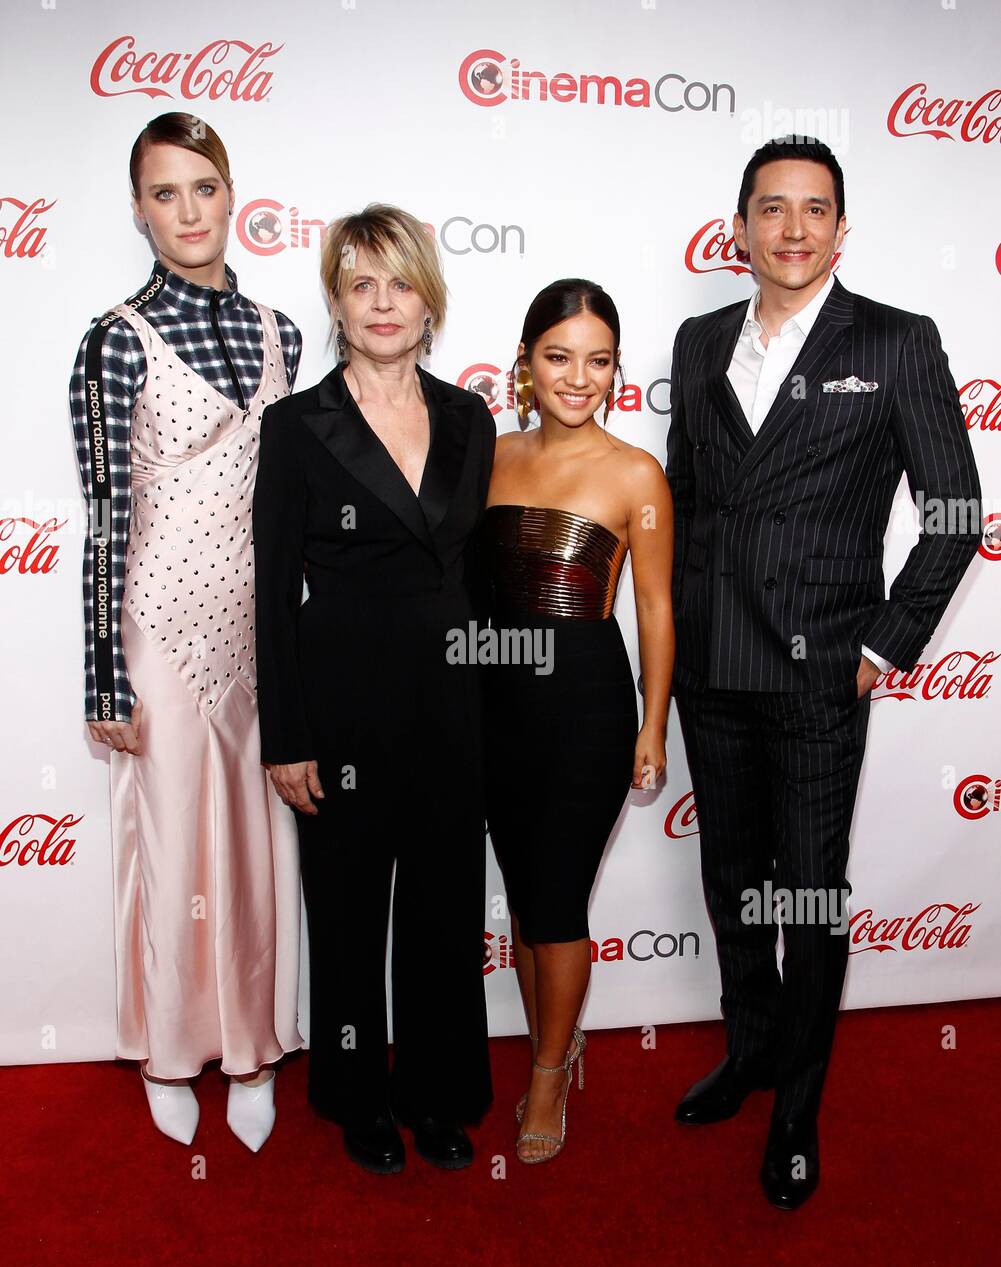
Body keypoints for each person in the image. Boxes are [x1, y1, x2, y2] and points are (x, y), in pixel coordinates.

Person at [666, 136, 982, 1209]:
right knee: (729, 884)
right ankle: (750, 1049)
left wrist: (880, 646)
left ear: (840, 229)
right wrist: (671, 650)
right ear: (739, 227)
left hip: (815, 676)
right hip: (710, 669)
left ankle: (796, 1104)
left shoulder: (893, 341)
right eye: (770, 208)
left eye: (813, 210)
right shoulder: (699, 338)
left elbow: (952, 514)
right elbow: (687, 507)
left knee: (806, 895)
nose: (791, 228)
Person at [69, 112, 304, 1150]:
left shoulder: (282, 332)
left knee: (254, 854)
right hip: (159, 627)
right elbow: (106, 513)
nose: (187, 209)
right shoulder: (115, 339)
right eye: (164, 193)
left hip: (259, 633)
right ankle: (170, 1051)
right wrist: (101, 677)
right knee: (171, 853)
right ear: (138, 209)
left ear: (230, 193)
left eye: (202, 187)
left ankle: (250, 1047)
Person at [252, 204, 495, 1175]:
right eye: (360, 285)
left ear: (426, 298)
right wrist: (286, 735)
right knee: (346, 912)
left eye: (398, 282)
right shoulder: (297, 425)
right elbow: (272, 587)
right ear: (337, 303)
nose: (382, 303)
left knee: (443, 912)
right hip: (341, 702)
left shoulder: (469, 416)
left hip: (449, 706)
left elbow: (475, 576)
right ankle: (355, 1095)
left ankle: (436, 1092)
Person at [476, 279, 674, 1163]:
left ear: (615, 371)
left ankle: (548, 1075)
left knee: (556, 907)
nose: (577, 376)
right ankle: (552, 1047)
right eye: (559, 357)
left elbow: (658, 609)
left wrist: (651, 725)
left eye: (597, 361)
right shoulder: (487, 455)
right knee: (525, 906)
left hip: (585, 709)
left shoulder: (635, 471)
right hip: (491, 705)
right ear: (526, 363)